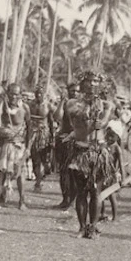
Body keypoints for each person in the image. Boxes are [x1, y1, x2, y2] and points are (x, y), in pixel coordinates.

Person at [64, 71, 115, 237]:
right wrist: (87, 108)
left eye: (95, 82)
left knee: (96, 192)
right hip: (80, 150)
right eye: (89, 81)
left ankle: (92, 227)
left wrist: (98, 119)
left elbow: (103, 123)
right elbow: (73, 119)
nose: (92, 85)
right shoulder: (72, 103)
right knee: (81, 192)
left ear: (100, 85)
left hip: (97, 152)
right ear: (82, 83)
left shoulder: (106, 105)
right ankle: (81, 227)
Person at [0, 83, 31, 209]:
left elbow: (29, 128)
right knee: (2, 170)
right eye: (11, 93)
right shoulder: (3, 106)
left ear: (20, 95)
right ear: (7, 93)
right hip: (4, 144)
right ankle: (2, 195)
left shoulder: (25, 108)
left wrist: (28, 148)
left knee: (18, 173)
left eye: (16, 94)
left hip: (18, 145)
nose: (13, 96)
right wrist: (0, 101)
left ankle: (22, 200)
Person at [53, 81, 80, 209]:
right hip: (64, 141)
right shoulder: (64, 104)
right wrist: (62, 102)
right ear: (68, 91)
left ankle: (73, 200)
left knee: (75, 172)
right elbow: (57, 117)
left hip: (79, 142)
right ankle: (65, 199)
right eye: (72, 90)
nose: (75, 93)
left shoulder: (83, 105)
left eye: (77, 91)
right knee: (64, 172)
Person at [29, 85, 54, 192]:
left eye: (41, 93)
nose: (38, 95)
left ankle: (42, 176)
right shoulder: (30, 105)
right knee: (35, 159)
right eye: (37, 93)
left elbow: (52, 122)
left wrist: (52, 137)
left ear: (44, 94)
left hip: (44, 134)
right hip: (33, 134)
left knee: (45, 159)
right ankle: (38, 182)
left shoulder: (48, 106)